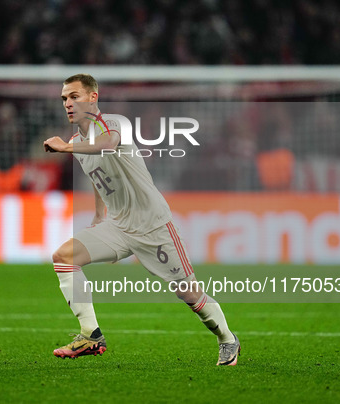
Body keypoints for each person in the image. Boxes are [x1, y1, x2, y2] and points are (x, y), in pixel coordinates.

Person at [43, 74, 241, 366]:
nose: (68, 104)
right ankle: (91, 334)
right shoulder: (77, 141)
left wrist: (65, 147)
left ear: (93, 97)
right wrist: (99, 217)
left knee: (189, 294)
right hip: (118, 226)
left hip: (153, 225)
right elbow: (100, 177)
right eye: (64, 99)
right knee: (63, 257)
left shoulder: (113, 123)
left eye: (74, 96)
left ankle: (227, 339)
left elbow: (106, 145)